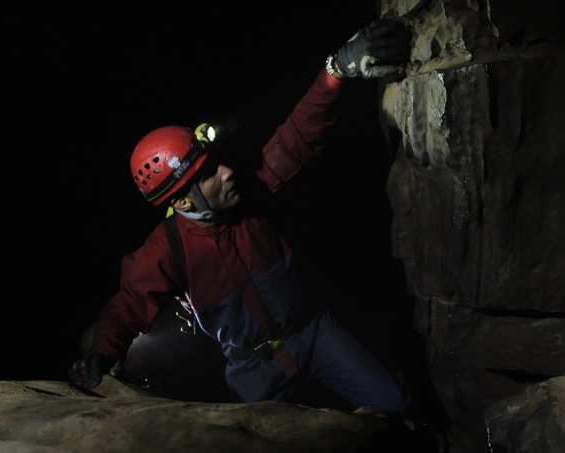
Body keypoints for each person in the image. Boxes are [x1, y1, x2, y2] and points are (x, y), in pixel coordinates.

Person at [69, 18, 414, 415]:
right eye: (208, 176)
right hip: (254, 366)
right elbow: (127, 306)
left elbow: (297, 137)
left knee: (394, 404)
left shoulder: (248, 191)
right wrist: (101, 353)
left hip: (313, 332)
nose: (227, 173)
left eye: (214, 163)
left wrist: (335, 71)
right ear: (182, 203)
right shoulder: (167, 250)